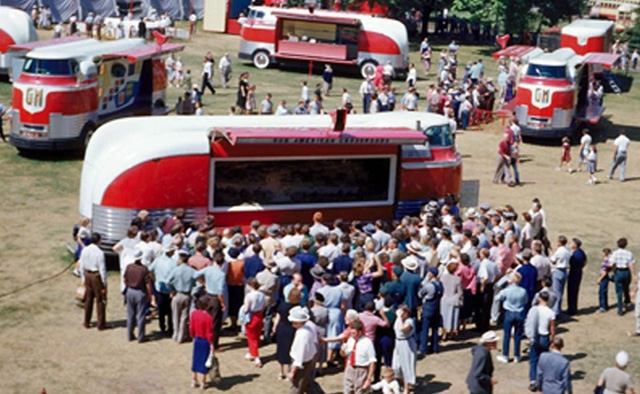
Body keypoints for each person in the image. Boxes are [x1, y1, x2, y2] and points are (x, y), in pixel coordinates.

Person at [525, 291, 556, 392]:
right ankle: (541, 381)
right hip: (544, 337)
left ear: (539, 299)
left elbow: (529, 322)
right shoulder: (551, 312)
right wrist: (552, 339)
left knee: (533, 360)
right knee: (543, 361)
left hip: (535, 336)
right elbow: (552, 328)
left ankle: (533, 381)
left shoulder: (535, 310)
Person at [288, 306, 322, 394]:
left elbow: (299, 355)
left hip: (301, 364)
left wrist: (292, 371)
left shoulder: (302, 335)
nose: (292, 324)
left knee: (296, 387)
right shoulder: (309, 328)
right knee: (307, 383)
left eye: (293, 322)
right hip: (308, 361)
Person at [496, 272, 528, 363]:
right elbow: (525, 301)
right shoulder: (523, 291)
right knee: (517, 335)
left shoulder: (507, 290)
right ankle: (517, 355)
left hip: (509, 313)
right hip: (520, 313)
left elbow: (497, 298)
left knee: (507, 335)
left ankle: (505, 355)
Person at [123, 249, 153, 342]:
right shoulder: (144, 269)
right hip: (140, 292)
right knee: (140, 315)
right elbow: (148, 283)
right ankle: (141, 336)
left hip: (130, 291)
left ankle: (129, 335)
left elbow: (125, 279)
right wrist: (150, 294)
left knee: (130, 314)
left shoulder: (129, 267)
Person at [79, 233, 107, 330]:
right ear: (98, 241)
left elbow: (81, 264)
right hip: (96, 276)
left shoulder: (85, 250)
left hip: (87, 275)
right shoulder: (99, 253)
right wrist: (104, 284)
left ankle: (86, 321)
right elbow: (102, 269)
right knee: (100, 300)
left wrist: (82, 278)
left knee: (88, 299)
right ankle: (101, 324)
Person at [149, 244, 178, 336]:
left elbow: (150, 270)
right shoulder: (173, 263)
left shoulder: (157, 260)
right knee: (170, 311)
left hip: (159, 288)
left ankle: (162, 327)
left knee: (161, 309)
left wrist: (154, 279)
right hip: (170, 289)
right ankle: (170, 328)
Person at [168, 249, 196, 342]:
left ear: (180, 259)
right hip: (187, 295)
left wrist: (172, 290)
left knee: (175, 315)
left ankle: (175, 334)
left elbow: (167, 281)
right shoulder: (192, 271)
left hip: (177, 294)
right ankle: (181, 335)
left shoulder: (175, 270)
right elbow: (197, 283)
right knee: (184, 317)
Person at [343, 319, 377, 394]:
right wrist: (342, 351)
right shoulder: (350, 340)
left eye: (354, 333)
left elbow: (372, 362)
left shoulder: (367, 342)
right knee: (347, 391)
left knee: (359, 391)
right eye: (351, 333)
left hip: (361, 370)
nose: (352, 335)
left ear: (360, 332)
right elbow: (345, 354)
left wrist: (368, 379)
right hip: (350, 368)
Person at [275, 287, 301, 380]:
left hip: (282, 329)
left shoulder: (282, 306)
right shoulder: (299, 308)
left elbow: (278, 317)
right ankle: (289, 371)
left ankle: (281, 372)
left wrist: (274, 328)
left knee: (281, 350)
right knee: (292, 350)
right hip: (293, 330)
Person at [189, 297, 214, 389]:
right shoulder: (208, 317)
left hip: (197, 339)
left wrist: (192, 335)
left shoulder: (194, 314)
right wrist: (212, 342)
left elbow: (191, 327)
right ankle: (203, 382)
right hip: (205, 341)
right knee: (205, 361)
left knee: (195, 359)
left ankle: (193, 380)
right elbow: (209, 332)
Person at [418, 267, 443, 355]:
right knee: (435, 329)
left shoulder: (429, 286)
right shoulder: (440, 285)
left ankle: (423, 348)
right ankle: (435, 347)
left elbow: (420, 294)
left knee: (425, 329)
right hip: (437, 308)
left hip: (428, 308)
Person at [392, 304, 416, 394]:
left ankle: (406, 388)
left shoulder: (410, 321)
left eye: (402, 312)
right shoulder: (398, 320)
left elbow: (403, 330)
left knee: (406, 366)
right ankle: (404, 383)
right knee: (396, 366)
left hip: (407, 344)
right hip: (398, 343)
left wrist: (399, 317)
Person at [243, 278, 265, 368]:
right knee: (256, 336)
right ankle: (251, 352)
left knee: (251, 338)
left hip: (251, 317)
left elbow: (246, 309)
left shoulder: (249, 296)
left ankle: (256, 357)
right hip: (259, 315)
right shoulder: (262, 294)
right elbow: (263, 305)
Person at [611, 238, 635, 316]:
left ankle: (620, 309)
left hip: (618, 271)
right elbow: (631, 265)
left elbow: (612, 264)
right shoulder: (629, 253)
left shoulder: (615, 253)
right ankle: (627, 302)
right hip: (626, 272)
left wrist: (614, 272)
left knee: (619, 291)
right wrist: (633, 274)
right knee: (626, 287)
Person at [440, 259, 462, 340]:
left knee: (444, 317)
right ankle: (452, 333)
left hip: (444, 299)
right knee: (453, 317)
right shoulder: (458, 279)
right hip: (453, 298)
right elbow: (460, 292)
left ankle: (444, 334)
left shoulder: (442, 277)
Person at [550, 235, 571, 316]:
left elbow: (553, 260)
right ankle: (558, 309)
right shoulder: (567, 251)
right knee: (561, 292)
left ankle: (555, 311)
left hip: (558, 270)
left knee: (556, 292)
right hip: (565, 271)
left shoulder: (559, 251)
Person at [566, 238, 586, 316]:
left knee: (572, 291)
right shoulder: (581, 252)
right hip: (578, 272)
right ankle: (572, 308)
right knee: (574, 291)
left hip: (574, 274)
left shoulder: (576, 255)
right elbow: (585, 262)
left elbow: (572, 263)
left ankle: (572, 309)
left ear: (575, 245)